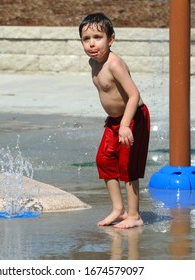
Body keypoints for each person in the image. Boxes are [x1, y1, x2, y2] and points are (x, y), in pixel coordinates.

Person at [79, 13, 150, 229]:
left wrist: (126, 124)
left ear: (111, 40)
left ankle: (135, 215)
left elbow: (133, 95)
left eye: (98, 37)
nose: (92, 43)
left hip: (133, 118)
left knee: (128, 166)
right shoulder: (93, 62)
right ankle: (119, 209)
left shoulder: (114, 64)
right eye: (86, 38)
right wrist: (114, 118)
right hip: (114, 121)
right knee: (104, 159)